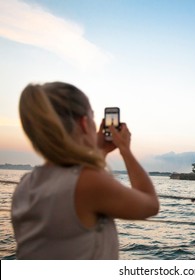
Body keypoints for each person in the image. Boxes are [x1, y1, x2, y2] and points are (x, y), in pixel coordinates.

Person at [11, 82, 159, 259]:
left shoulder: (25, 184)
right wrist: (125, 150)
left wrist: (100, 151)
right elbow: (150, 205)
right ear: (84, 123)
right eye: (92, 117)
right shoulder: (87, 182)